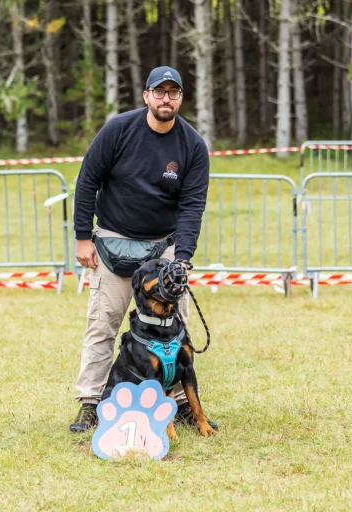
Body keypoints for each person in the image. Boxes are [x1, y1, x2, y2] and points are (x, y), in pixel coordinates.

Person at [70, 65, 217, 433]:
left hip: (162, 245)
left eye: (174, 92)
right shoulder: (119, 130)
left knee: (176, 329)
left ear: (181, 98)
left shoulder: (193, 146)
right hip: (112, 240)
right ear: (146, 96)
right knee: (102, 325)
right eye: (160, 91)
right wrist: (83, 237)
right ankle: (91, 403)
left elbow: (192, 205)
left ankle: (181, 403)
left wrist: (182, 259)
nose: (166, 98)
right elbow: (88, 180)